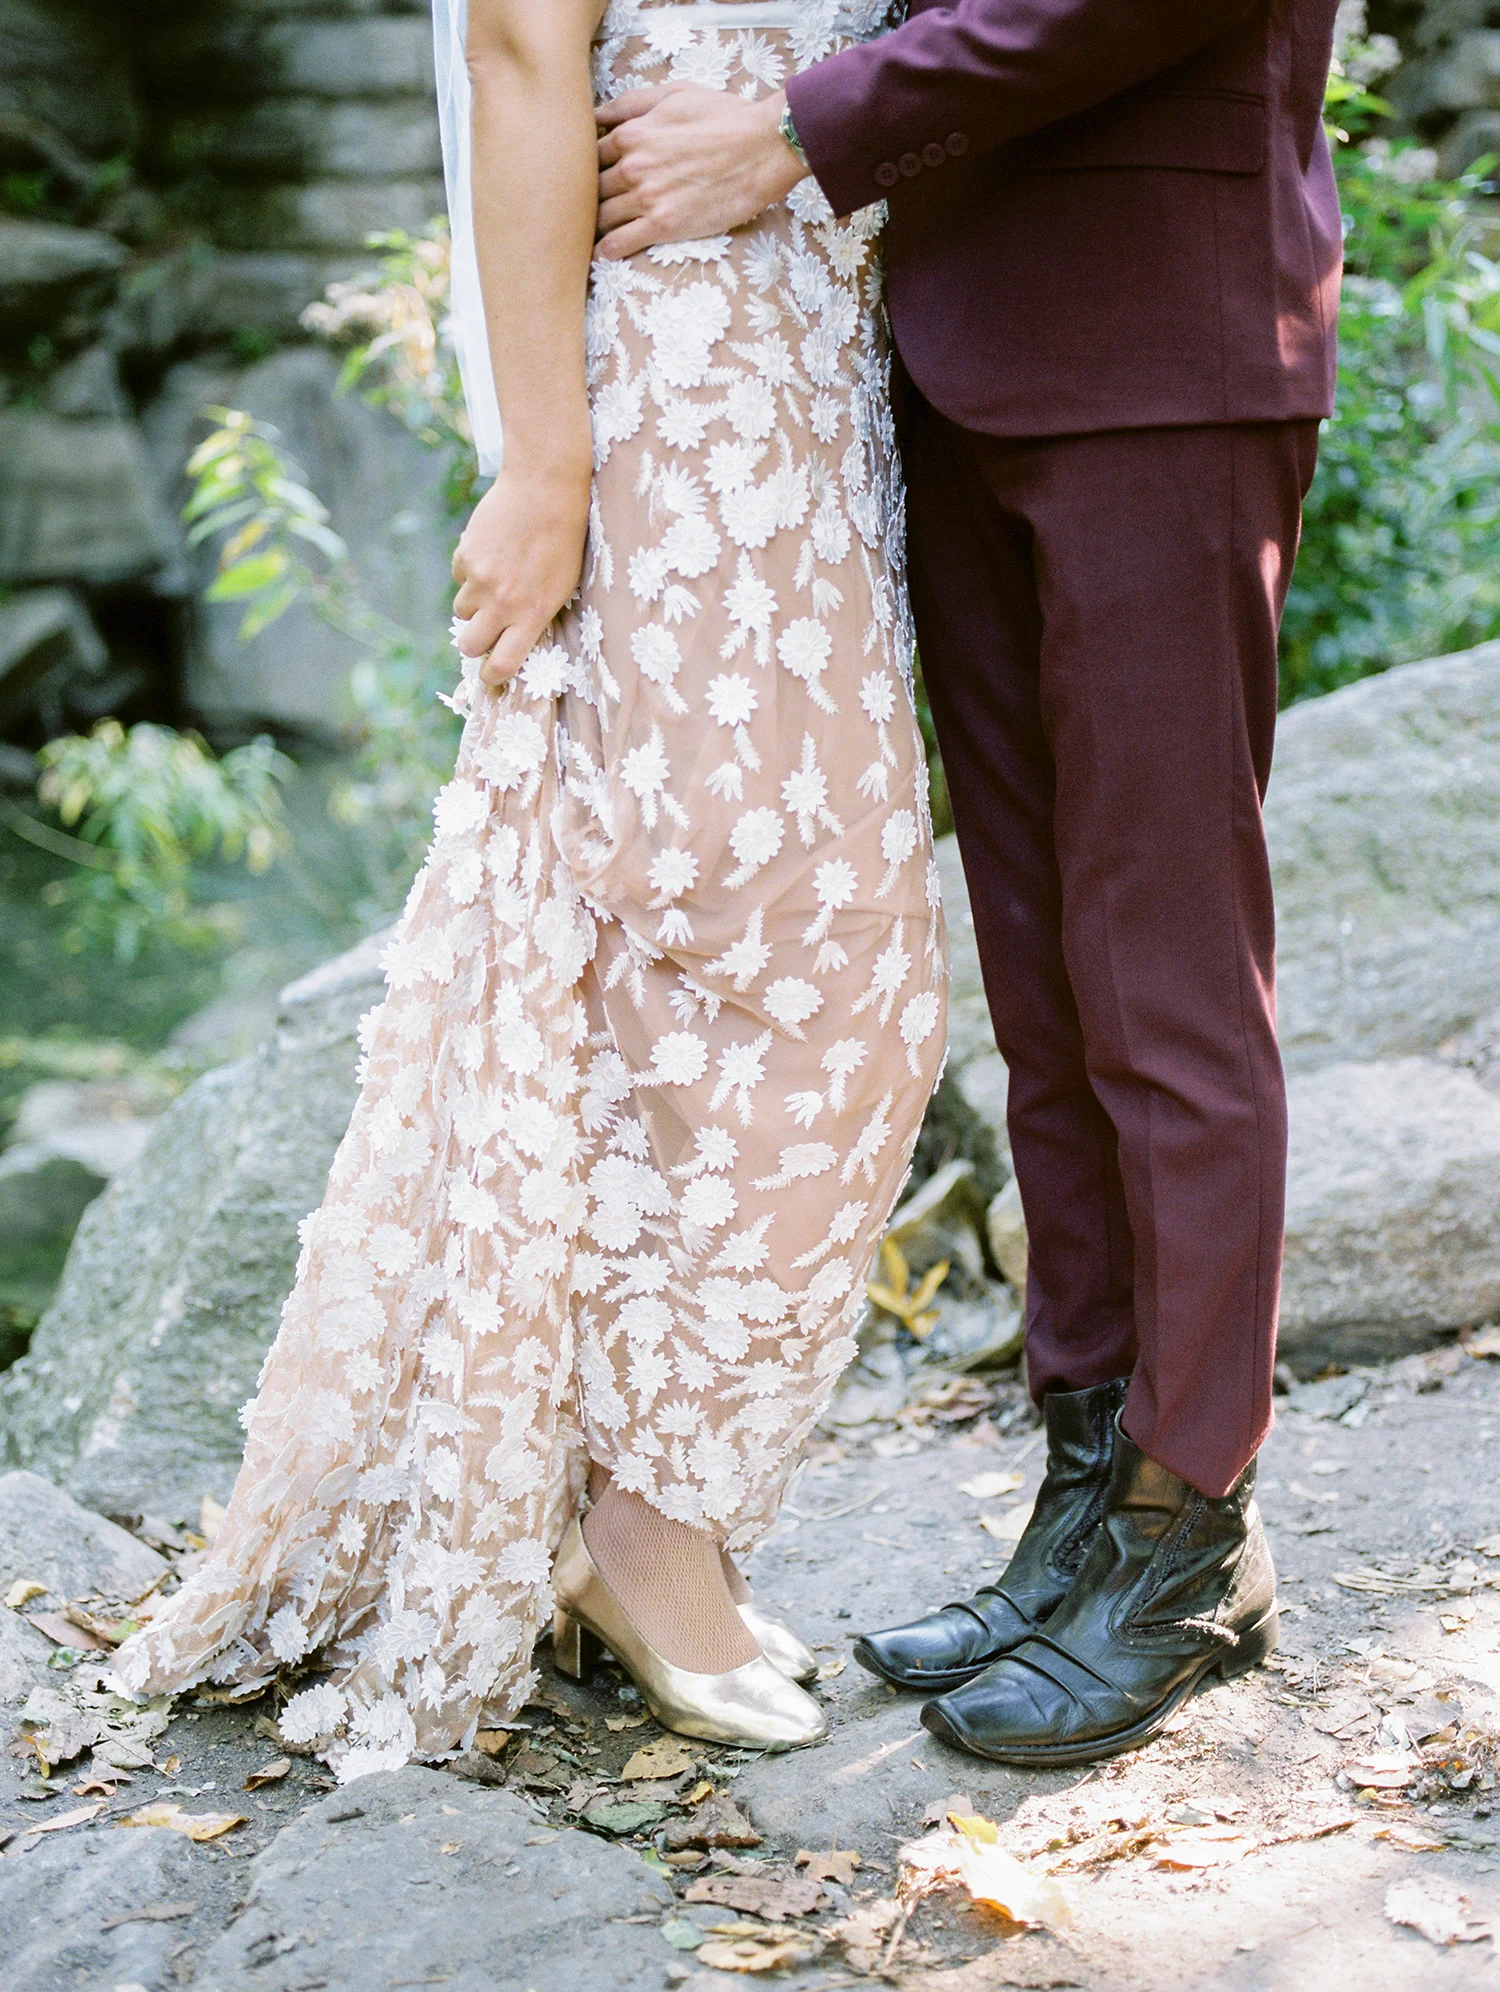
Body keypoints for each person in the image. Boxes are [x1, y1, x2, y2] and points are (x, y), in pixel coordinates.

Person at [115, 0, 946, 1780]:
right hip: (679, 390)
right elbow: (516, 50)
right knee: (795, 971)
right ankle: (643, 1533)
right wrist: (548, 461)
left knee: (743, 962)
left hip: (807, 371)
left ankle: (615, 1504)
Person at [596, 0, 1343, 1765]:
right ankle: (1088, 1499)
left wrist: (800, 127)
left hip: (1166, 350)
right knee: (1048, 968)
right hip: (960, 351)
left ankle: (1189, 1528)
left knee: (1166, 973)